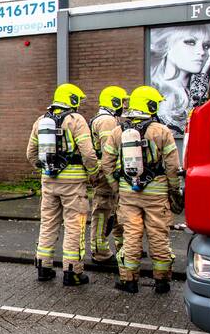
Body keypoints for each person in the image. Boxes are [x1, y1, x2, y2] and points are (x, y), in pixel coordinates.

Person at [99, 85, 182, 294]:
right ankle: (162, 281)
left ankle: (129, 281)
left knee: (131, 236)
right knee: (158, 235)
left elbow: (107, 164)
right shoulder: (162, 131)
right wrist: (173, 190)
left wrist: (118, 187)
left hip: (128, 194)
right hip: (157, 193)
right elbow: (172, 166)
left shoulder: (118, 131)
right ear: (150, 105)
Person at [26, 83, 101, 286]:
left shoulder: (41, 121)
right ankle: (72, 272)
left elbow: (30, 154)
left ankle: (43, 266)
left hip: (49, 182)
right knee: (74, 226)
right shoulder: (76, 120)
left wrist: (45, 169)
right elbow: (88, 154)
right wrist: (94, 175)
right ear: (73, 100)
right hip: (73, 185)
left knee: (48, 223)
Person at [148, 24, 210, 133]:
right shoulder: (153, 90)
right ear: (166, 45)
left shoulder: (203, 88)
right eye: (190, 42)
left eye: (206, 46)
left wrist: (202, 75)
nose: (202, 52)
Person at [88, 86, 127, 263]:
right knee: (103, 212)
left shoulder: (106, 119)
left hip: (108, 173)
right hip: (106, 175)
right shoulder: (107, 121)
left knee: (117, 211)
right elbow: (109, 152)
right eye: (122, 101)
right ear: (114, 101)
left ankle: (123, 246)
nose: (124, 106)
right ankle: (100, 252)